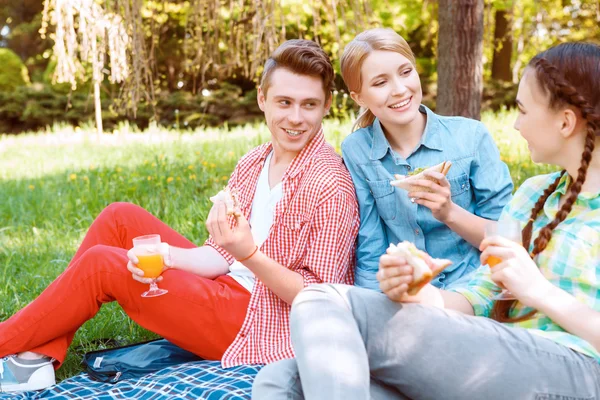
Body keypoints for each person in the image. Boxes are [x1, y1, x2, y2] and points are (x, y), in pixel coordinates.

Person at [0, 39, 359, 393]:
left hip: (260, 323)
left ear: (326, 105)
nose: (295, 118)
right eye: (284, 102)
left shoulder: (331, 185)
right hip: (224, 289)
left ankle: (12, 345)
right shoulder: (253, 162)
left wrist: (249, 254)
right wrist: (168, 258)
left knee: (103, 265)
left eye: (309, 104)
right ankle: (36, 356)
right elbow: (218, 255)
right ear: (262, 100)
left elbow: (318, 299)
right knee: (119, 217)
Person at [252, 41, 600, 399]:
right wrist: (420, 294)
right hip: (492, 354)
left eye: (524, 111)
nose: (514, 124)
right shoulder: (535, 193)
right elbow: (481, 292)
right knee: (281, 380)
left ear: (565, 121)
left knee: (319, 301)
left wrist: (539, 291)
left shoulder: (471, 139)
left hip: (574, 368)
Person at [338, 28, 513, 291]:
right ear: (359, 97)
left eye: (406, 72)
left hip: (474, 290)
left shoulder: (471, 137)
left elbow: (507, 239)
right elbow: (370, 244)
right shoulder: (357, 150)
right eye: (380, 82)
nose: (399, 89)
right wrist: (372, 312)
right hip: (406, 297)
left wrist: (449, 212)